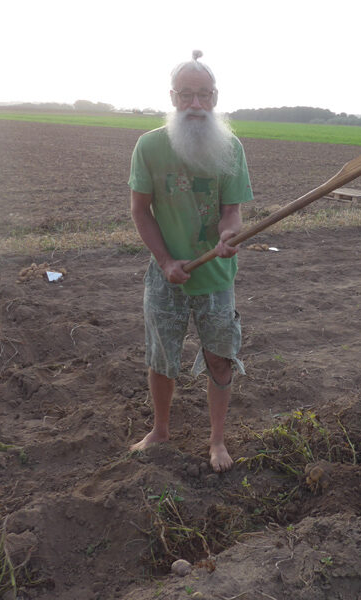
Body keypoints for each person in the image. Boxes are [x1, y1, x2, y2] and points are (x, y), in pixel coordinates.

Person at [127, 50, 253, 472]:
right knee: (162, 357)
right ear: (173, 97)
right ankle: (160, 430)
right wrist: (165, 261)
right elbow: (140, 210)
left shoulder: (230, 148)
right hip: (166, 276)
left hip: (216, 276)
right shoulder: (149, 146)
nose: (195, 104)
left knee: (220, 357)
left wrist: (228, 234)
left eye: (204, 95)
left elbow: (231, 211)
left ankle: (217, 440)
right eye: (186, 95)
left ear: (215, 98)